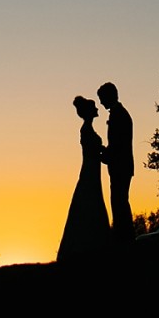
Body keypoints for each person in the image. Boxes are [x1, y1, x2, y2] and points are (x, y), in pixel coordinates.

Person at [56, 95, 110, 262]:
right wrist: (108, 153)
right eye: (94, 108)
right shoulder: (86, 130)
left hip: (92, 169)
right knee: (89, 203)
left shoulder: (87, 129)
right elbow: (94, 151)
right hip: (89, 170)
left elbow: (96, 150)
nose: (97, 109)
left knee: (89, 203)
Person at [97, 81, 134, 242]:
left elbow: (118, 145)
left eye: (102, 98)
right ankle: (124, 237)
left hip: (121, 166)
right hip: (120, 165)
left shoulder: (119, 115)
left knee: (119, 204)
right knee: (120, 202)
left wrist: (102, 153)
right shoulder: (118, 113)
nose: (101, 102)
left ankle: (124, 238)